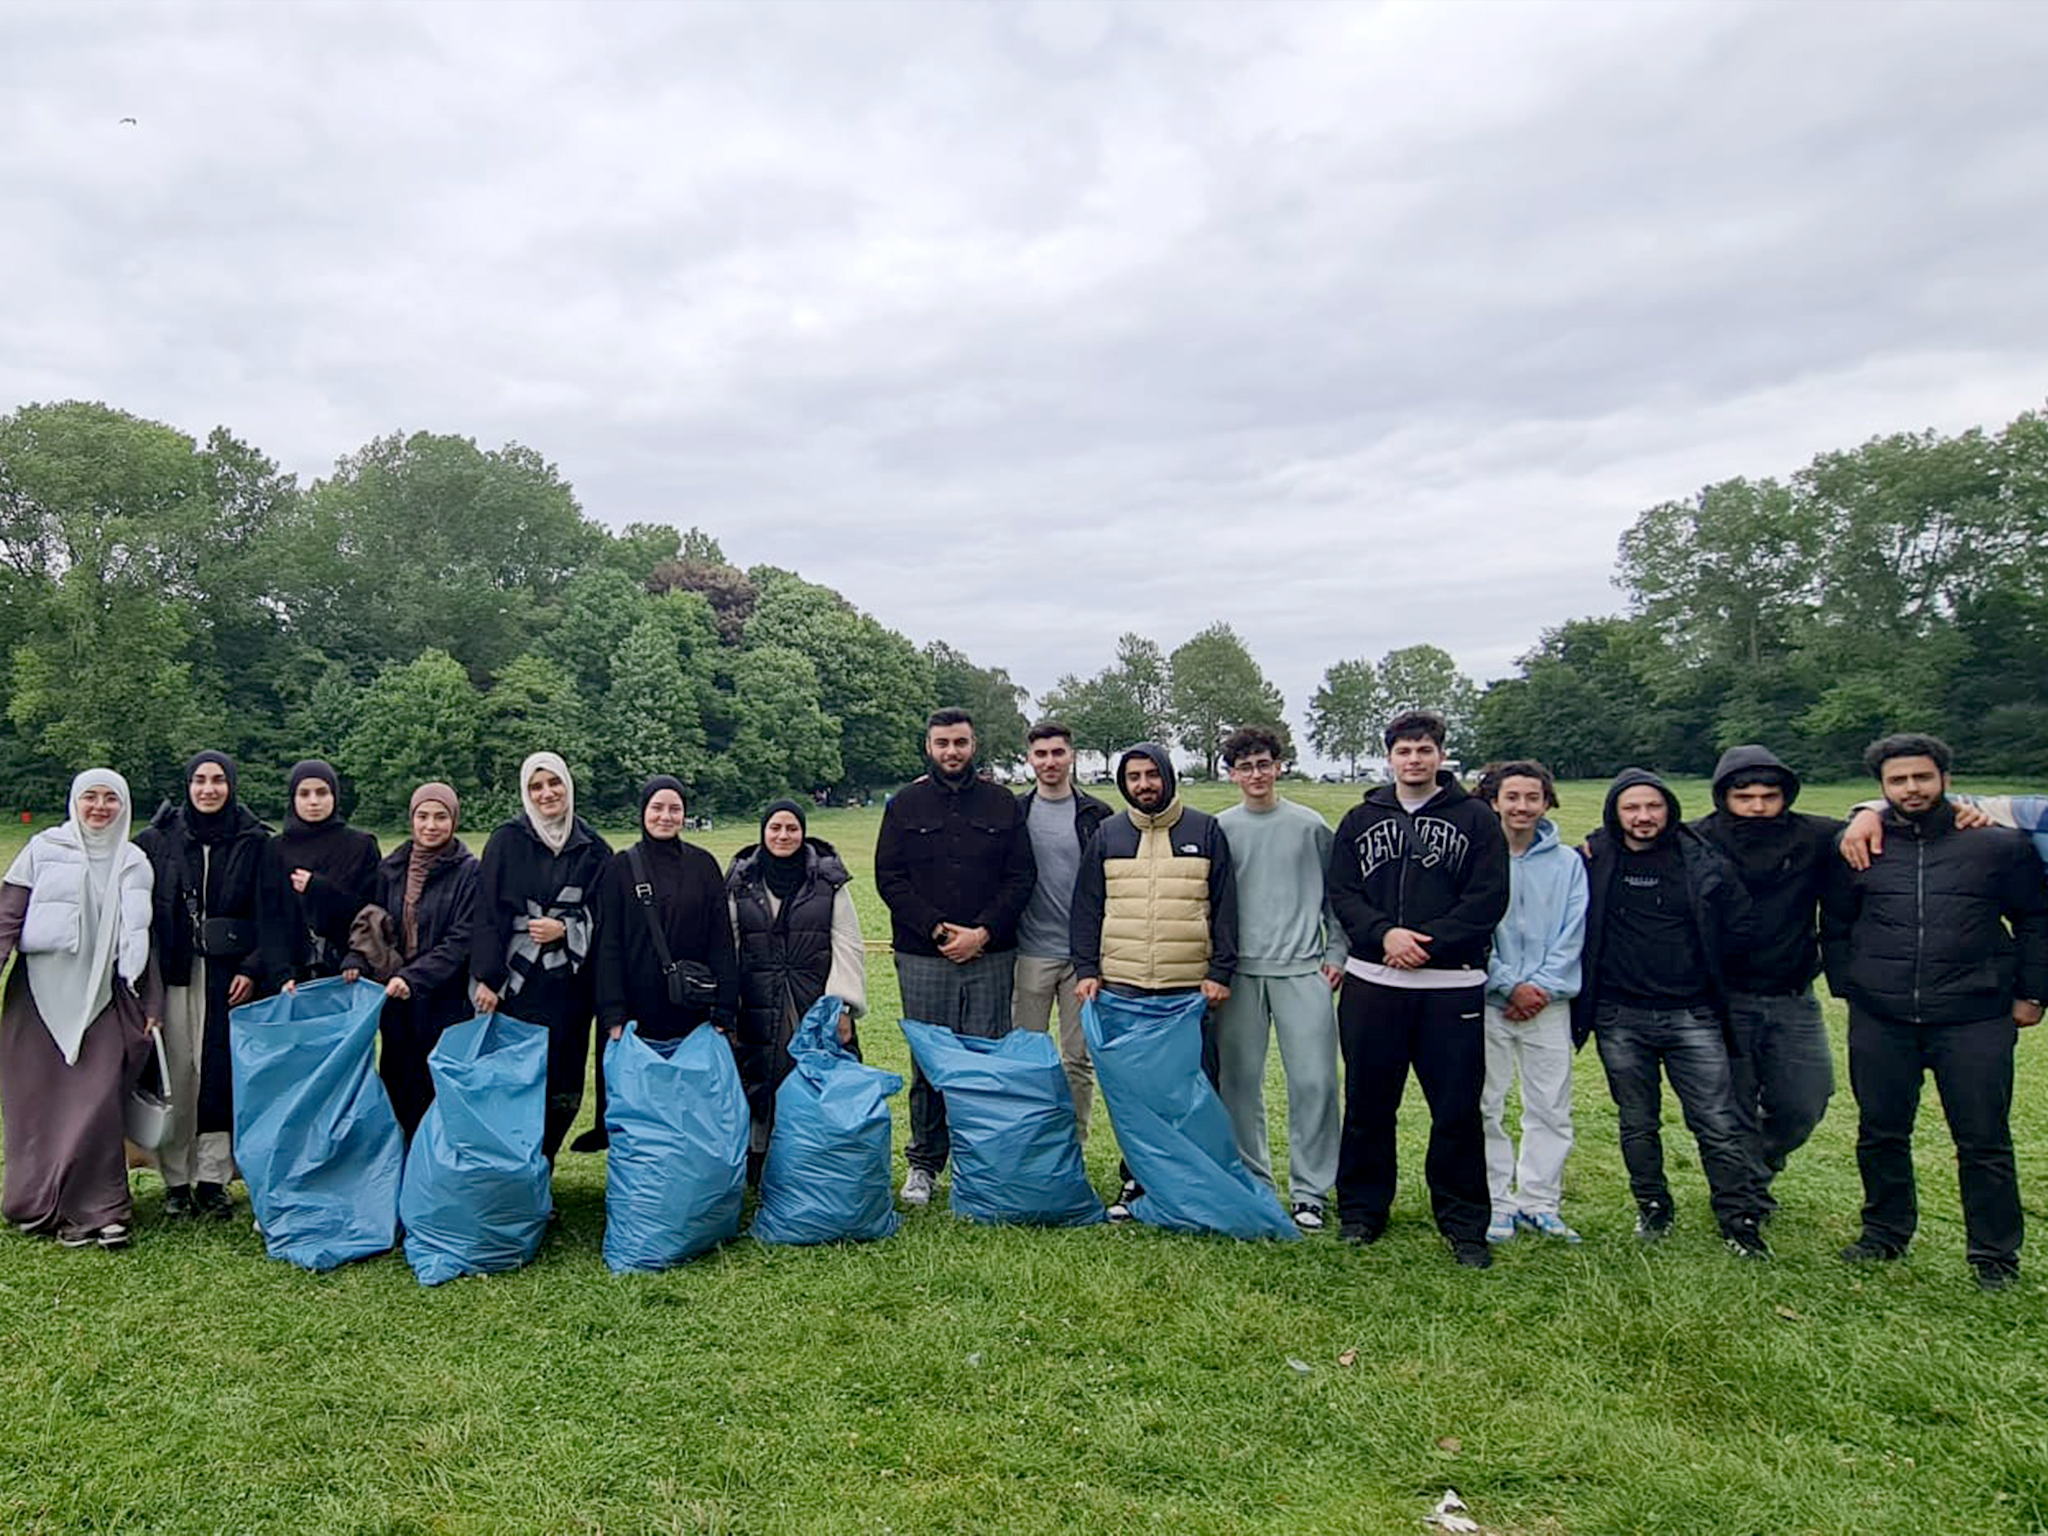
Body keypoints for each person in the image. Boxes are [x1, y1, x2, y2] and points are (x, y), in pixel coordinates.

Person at [1821, 734, 2048, 1291]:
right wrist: (1853, 986)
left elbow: (2037, 921)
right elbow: (1839, 924)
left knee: (1983, 1139)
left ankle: (1994, 1256)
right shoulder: (1858, 848)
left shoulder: (1998, 846)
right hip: (1882, 1016)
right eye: (1898, 780)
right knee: (1880, 1132)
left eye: (1922, 777)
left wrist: (2032, 994)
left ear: (1945, 778)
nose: (1911, 788)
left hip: (1974, 1015)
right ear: (1881, 788)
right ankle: (1884, 1233)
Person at [1326, 711, 1509, 1268]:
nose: (1414, 760)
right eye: (1404, 751)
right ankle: (1361, 1211)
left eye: (1424, 750)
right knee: (1367, 1104)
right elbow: (1344, 890)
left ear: (1440, 755)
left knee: (1455, 1109)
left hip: (1450, 985)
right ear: (1390, 757)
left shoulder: (1477, 820)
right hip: (1373, 981)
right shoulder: (1360, 819)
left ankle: (1463, 1223)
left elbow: (1487, 898)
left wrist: (1426, 942)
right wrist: (1385, 935)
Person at [1573, 769, 1771, 1258]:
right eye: (1632, 808)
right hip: (1620, 1015)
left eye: (1653, 807)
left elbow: (1741, 926)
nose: (1643, 817)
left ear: (1669, 810)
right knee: (1637, 1122)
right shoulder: (1595, 859)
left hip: (1693, 1014)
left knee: (1717, 1122)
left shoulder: (1703, 860)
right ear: (1615, 813)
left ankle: (1738, 1220)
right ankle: (1653, 1206)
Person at [874, 709, 1036, 1206]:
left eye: (960, 742)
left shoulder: (1002, 803)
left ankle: (980, 1162)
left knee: (985, 1062)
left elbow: (1020, 877)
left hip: (990, 954)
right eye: (942, 743)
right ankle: (924, 1163)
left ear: (974, 744)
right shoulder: (904, 804)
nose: (952, 752)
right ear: (928, 746)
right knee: (929, 1064)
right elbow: (890, 877)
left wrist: (983, 932)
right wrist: (939, 930)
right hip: (924, 955)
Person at [1070, 741, 1237, 1220]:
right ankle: (1135, 1182)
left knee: (1195, 1090)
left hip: (1188, 990)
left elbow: (1226, 906)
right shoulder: (1108, 834)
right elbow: (1086, 907)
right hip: (1124, 987)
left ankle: (1196, 1187)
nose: (1144, 785)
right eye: (1134, 777)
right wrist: (1087, 970)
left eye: (1152, 775)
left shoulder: (1206, 830)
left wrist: (1219, 971)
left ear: (1168, 776)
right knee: (1136, 1096)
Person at [0, 770, 158, 1250]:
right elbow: (7, 916)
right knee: (38, 1105)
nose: (100, 807)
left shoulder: (135, 862)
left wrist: (152, 1003)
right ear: (75, 801)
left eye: (111, 798)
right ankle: (38, 1202)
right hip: (36, 1002)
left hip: (106, 1000)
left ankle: (101, 1211)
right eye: (90, 796)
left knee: (99, 1106)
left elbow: (148, 939)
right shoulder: (43, 849)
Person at [135, 750, 292, 1220]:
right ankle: (176, 1180)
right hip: (177, 972)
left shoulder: (256, 841)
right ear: (187, 785)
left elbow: (272, 914)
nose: (208, 789)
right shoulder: (157, 840)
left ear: (231, 785)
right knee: (179, 1072)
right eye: (200, 780)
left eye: (218, 780)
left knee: (220, 1075)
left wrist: (253, 966)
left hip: (231, 977)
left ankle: (213, 1177)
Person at [1688, 746, 1840, 1207]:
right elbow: (1630, 840)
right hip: (1724, 997)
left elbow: (1887, 820)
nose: (1757, 807)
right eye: (1745, 796)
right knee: (1729, 1106)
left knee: (1805, 1101)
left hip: (1793, 994)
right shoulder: (1696, 839)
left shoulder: (1816, 837)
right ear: (1724, 796)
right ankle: (1741, 1198)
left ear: (1785, 795)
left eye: (1769, 796)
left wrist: (1870, 812)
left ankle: (1759, 1163)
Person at [1211, 726, 1344, 1230]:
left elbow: (1337, 898)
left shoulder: (1310, 826)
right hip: (1240, 974)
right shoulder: (1220, 828)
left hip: (1302, 969)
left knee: (1314, 1082)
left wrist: (1337, 952)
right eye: (1245, 767)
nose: (1256, 775)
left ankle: (1311, 1191)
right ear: (1232, 775)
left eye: (1263, 764)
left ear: (1279, 766)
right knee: (1239, 1083)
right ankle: (1255, 1182)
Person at [472, 753, 611, 1162]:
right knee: (515, 1082)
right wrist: (487, 976)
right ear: (526, 792)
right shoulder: (506, 840)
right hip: (518, 987)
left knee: (562, 1084)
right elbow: (487, 911)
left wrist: (566, 930)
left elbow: (606, 915)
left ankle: (544, 1168)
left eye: (554, 783)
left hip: (569, 990)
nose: (547, 793)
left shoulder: (594, 848)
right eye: (537, 786)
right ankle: (512, 1175)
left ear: (569, 786)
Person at [1475, 761, 1587, 1245]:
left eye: (1532, 798)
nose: (1522, 807)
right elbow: (1473, 929)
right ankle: (1497, 1202)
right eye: (1512, 797)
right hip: (1488, 1000)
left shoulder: (1567, 863)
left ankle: (1540, 1201)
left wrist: (1540, 986)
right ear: (1495, 801)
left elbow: (1573, 930)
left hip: (1548, 1004)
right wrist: (1504, 984)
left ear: (1546, 802)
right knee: (1485, 1104)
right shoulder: (1478, 857)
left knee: (1550, 1107)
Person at [726, 799, 866, 1174]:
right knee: (757, 1073)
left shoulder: (828, 880)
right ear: (763, 832)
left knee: (812, 1072)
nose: (783, 836)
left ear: (803, 832)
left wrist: (843, 1006)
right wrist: (727, 1003)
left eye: (791, 828)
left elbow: (847, 942)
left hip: (813, 996)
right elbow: (730, 943)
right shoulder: (742, 880)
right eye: (775, 828)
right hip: (756, 995)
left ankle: (814, 1155)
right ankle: (758, 1154)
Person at [342, 782, 479, 1141]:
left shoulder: (469, 872)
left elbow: (462, 939)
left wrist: (415, 978)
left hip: (444, 999)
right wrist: (358, 957)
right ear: (412, 819)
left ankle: (433, 1173)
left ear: (454, 820)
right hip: (395, 998)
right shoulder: (391, 868)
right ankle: (398, 1169)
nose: (430, 825)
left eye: (440, 817)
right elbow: (372, 920)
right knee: (396, 1083)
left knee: (436, 1089)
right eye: (423, 816)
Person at [1011, 720, 1113, 1143]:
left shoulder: (1098, 816)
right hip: (1030, 952)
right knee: (1027, 1058)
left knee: (1077, 1059)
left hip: (1082, 959)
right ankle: (1032, 1145)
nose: (1050, 761)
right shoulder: (1014, 812)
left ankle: (1073, 1144)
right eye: (1041, 754)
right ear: (1030, 759)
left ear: (1072, 755)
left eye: (1058, 753)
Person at [593, 776, 739, 1048]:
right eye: (657, 808)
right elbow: (608, 945)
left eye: (675, 809)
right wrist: (612, 1012)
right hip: (634, 1011)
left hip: (692, 1007)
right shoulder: (619, 868)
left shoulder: (703, 866)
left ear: (684, 815)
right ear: (643, 811)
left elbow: (721, 939)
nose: (665, 816)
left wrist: (725, 1007)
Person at [274, 759, 379, 982]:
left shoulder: (360, 846)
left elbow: (371, 908)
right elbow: (268, 916)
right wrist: (281, 972)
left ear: (335, 796)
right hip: (290, 976)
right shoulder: (276, 848)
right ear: (293, 798)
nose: (313, 802)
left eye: (322, 793)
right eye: (304, 794)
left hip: (347, 969)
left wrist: (320, 889)